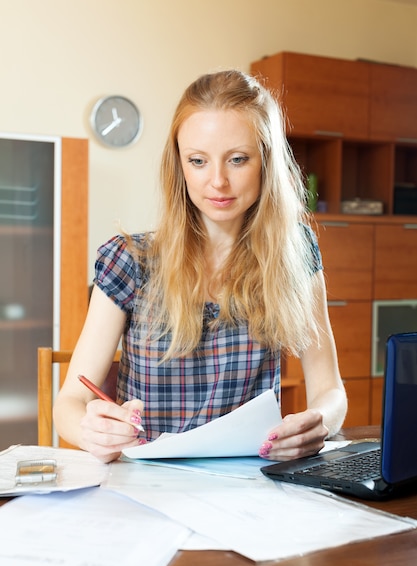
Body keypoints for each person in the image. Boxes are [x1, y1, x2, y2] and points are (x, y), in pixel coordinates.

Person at [54, 69, 347, 463]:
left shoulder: (295, 253)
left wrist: (318, 423)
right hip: (148, 485)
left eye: (238, 159)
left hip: (251, 484)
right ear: (179, 165)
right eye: (198, 161)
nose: (218, 182)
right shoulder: (131, 261)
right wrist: (92, 430)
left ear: (266, 161)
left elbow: (330, 391)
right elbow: (70, 402)